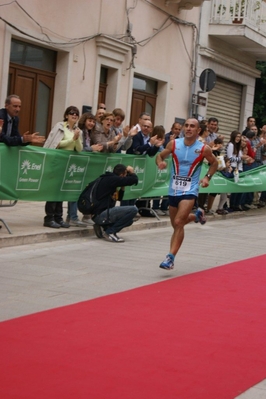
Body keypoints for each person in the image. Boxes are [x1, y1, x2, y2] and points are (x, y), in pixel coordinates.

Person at [156, 118, 218, 270]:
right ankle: (196, 216)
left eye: (193, 126)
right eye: (187, 126)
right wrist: (160, 163)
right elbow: (159, 156)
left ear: (198, 131)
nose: (189, 128)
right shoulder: (174, 144)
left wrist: (207, 177)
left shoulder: (204, 149)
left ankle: (170, 258)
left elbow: (214, 163)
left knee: (178, 222)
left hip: (190, 190)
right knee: (176, 225)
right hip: (173, 190)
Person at [43, 106, 85, 228]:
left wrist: (76, 139)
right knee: (53, 191)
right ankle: (49, 218)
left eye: (77, 114)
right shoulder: (60, 126)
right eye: (72, 113)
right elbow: (56, 144)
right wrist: (72, 139)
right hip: (57, 162)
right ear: (66, 115)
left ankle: (59, 217)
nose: (74, 115)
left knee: (61, 191)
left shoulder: (78, 130)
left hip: (68, 164)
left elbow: (79, 149)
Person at [92, 164, 138, 243]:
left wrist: (122, 188)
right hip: (101, 214)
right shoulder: (112, 179)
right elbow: (134, 180)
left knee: (129, 220)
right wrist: (132, 172)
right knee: (133, 210)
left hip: (101, 214)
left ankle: (103, 227)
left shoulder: (110, 180)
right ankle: (110, 232)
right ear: (122, 174)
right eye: (126, 175)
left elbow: (119, 198)